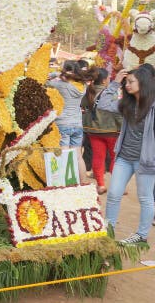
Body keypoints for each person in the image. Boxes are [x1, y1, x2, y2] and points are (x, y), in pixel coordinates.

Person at [97, 65, 155, 244]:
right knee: (114, 193)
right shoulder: (127, 103)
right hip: (124, 157)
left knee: (145, 197)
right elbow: (103, 104)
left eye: (131, 82)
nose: (127, 85)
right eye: (126, 82)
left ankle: (141, 235)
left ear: (143, 83)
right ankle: (109, 230)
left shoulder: (152, 106)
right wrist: (114, 83)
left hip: (145, 160)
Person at [46, 60, 97, 183]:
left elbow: (44, 81)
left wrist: (56, 74)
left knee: (64, 154)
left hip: (62, 123)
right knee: (78, 156)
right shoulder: (82, 86)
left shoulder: (61, 85)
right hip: (77, 125)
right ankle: (83, 181)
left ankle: (65, 183)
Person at [83, 68, 122, 194]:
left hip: (93, 130)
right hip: (111, 130)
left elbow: (83, 105)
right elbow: (117, 113)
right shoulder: (110, 93)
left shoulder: (89, 91)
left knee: (98, 157)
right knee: (114, 158)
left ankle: (101, 185)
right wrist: (122, 127)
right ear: (105, 80)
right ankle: (117, 186)